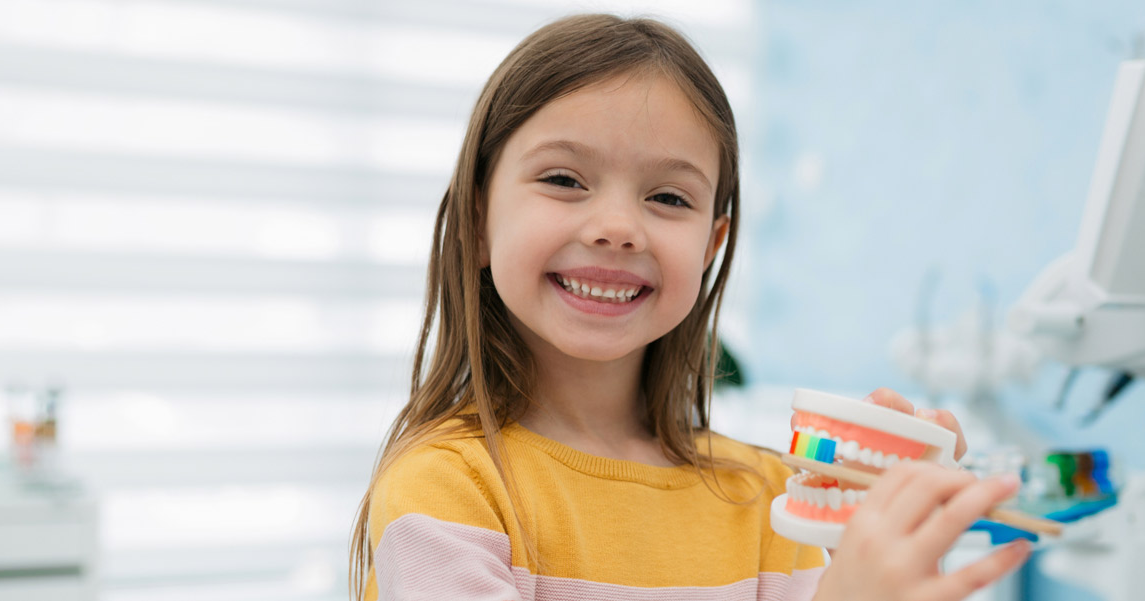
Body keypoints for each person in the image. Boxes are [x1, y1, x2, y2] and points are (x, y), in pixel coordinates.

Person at [349, 14, 1030, 601]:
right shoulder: (446, 487)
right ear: (476, 219)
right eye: (564, 179)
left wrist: (903, 560)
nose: (617, 225)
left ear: (712, 242)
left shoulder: (765, 497)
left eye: (668, 197)